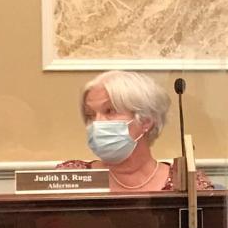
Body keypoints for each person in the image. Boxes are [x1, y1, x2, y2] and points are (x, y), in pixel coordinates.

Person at [58, 71, 214, 192]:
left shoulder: (186, 183)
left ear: (146, 121)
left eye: (110, 111)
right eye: (90, 115)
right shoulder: (70, 178)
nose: (97, 123)